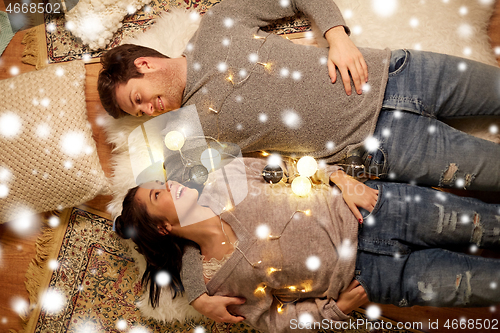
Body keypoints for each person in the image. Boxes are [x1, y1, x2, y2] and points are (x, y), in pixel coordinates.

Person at [98, 0, 500, 192]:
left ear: (146, 66)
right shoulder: (184, 134)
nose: (149, 111)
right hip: (379, 146)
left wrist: (337, 37)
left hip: (395, 74)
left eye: (139, 99)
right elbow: (188, 210)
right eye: (139, 113)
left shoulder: (217, 25)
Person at [115, 158, 500, 332]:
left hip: (376, 210)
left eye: (159, 182)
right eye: (156, 196)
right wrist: (335, 310)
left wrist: (339, 178)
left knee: (492, 225)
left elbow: (298, 165)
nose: (167, 185)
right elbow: (276, 322)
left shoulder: (226, 176)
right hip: (373, 277)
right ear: (164, 228)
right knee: (485, 283)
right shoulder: (214, 282)